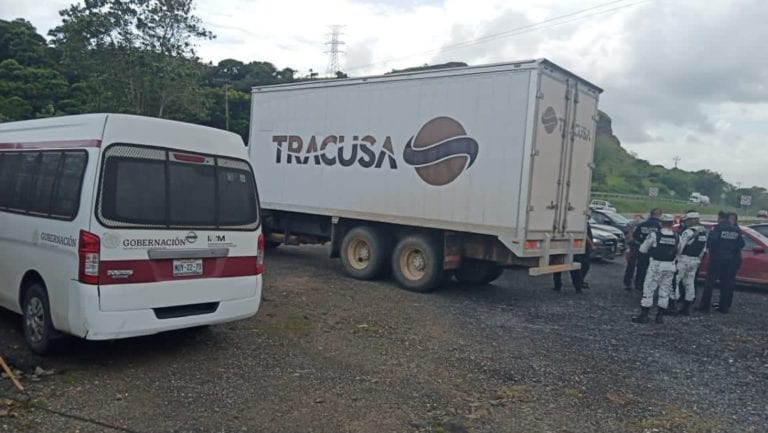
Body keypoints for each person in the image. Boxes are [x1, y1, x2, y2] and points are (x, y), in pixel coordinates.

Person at [631, 214, 678, 324]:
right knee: (665, 290)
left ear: (661, 223)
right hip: (670, 266)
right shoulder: (677, 236)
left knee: (649, 289)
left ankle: (644, 315)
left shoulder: (654, 235)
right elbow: (679, 251)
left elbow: (643, 249)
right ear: (672, 224)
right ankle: (659, 316)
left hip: (656, 264)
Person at [699, 211, 744, 313]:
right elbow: (741, 244)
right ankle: (724, 307)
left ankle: (704, 306)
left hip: (716, 259)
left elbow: (711, 242)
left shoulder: (718, 228)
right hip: (730, 260)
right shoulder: (735, 229)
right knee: (726, 284)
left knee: (709, 283)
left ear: (720, 218)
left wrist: (717, 250)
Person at [672, 212, 708, 315]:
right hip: (695, 260)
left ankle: (673, 304)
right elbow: (703, 250)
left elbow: (680, 246)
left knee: (676, 281)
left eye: (687, 220)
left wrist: (676, 257)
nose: (686, 223)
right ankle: (687, 307)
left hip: (684, 259)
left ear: (693, 220)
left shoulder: (688, 232)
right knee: (689, 283)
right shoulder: (703, 232)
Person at [553, 222, 594, 292]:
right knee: (575, 266)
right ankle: (578, 286)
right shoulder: (584, 223)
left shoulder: (581, 222)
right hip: (575, 244)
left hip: (562, 240)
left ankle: (558, 285)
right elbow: (587, 235)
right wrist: (592, 245)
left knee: (558, 262)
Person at [628, 208, 662, 290]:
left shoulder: (642, 224)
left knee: (640, 267)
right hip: (653, 250)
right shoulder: (659, 226)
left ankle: (636, 284)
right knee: (650, 269)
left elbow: (635, 235)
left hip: (639, 247)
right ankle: (646, 285)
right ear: (659, 215)